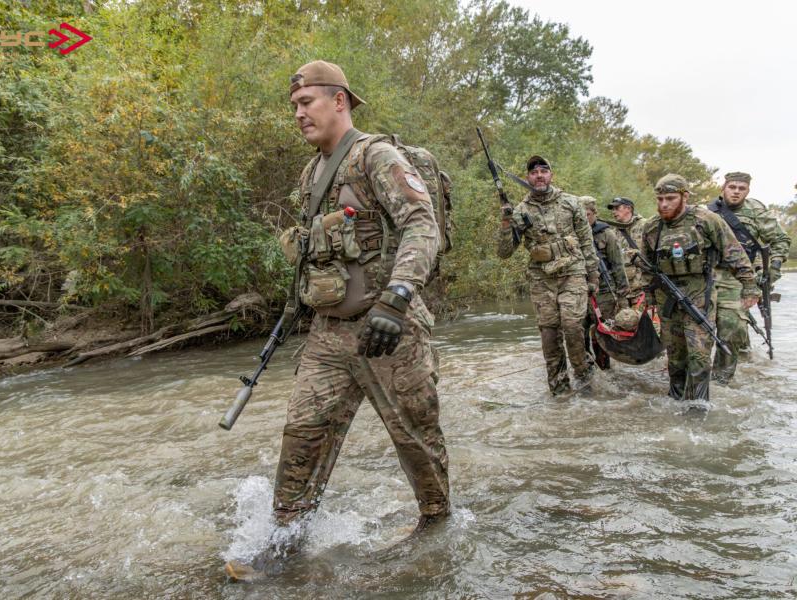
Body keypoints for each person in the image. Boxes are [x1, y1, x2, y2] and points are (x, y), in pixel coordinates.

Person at [225, 60, 449, 580]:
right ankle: (285, 545)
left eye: (308, 103)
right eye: (295, 106)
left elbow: (422, 224)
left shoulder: (376, 157)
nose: (300, 113)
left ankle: (438, 532)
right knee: (303, 431)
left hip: (389, 331)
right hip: (328, 334)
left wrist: (397, 296)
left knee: (415, 437)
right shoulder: (310, 175)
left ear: (340, 100)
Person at [640, 174, 759, 402]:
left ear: (685, 196)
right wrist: (648, 295)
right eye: (660, 199)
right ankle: (675, 401)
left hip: (699, 293)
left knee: (699, 355)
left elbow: (734, 253)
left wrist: (749, 287)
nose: (664, 204)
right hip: (667, 295)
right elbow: (647, 266)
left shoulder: (706, 220)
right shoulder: (652, 227)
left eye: (671, 198)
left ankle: (698, 407)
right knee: (675, 356)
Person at [496, 156, 599, 395]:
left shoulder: (571, 203)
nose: (539, 175)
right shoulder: (521, 211)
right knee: (550, 336)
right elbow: (504, 252)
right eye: (534, 172)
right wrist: (505, 223)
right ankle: (559, 392)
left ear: (551, 174)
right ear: (528, 177)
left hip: (572, 272)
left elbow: (586, 241)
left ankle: (584, 377)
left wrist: (593, 277)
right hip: (542, 278)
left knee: (573, 326)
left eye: (544, 170)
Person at [707, 172, 791, 383]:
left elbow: (780, 240)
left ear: (747, 191)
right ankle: (697, 378)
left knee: (732, 327)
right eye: (732, 187)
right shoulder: (708, 212)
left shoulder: (756, 211)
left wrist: (771, 271)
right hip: (708, 275)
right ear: (723, 188)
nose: (736, 192)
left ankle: (721, 381)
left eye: (741, 188)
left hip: (739, 277)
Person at [581, 196, 629, 369]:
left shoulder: (607, 234)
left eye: (586, 214)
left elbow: (618, 265)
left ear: (594, 214)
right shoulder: (572, 233)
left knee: (602, 332)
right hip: (578, 291)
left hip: (604, 292)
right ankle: (585, 367)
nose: (583, 219)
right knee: (578, 332)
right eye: (579, 215)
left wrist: (622, 294)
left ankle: (604, 367)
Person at [606, 196, 647, 305]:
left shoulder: (645, 225)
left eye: (617, 208)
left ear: (628, 208)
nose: (614, 212)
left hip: (642, 290)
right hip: (622, 292)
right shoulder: (612, 232)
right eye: (612, 209)